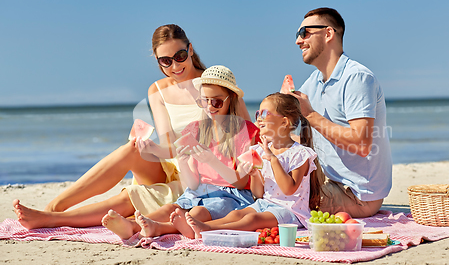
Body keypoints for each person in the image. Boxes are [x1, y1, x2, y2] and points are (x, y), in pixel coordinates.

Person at [12, 26, 251, 229]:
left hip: (202, 173)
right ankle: (55, 207)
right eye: (165, 61)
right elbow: (169, 146)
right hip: (175, 163)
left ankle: (54, 219)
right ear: (158, 61)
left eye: (179, 56)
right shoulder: (157, 90)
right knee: (131, 149)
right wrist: (151, 149)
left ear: (189, 50)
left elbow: (245, 133)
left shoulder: (214, 84)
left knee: (131, 196)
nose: (175, 66)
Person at [102, 66, 261, 239]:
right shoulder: (196, 130)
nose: (209, 107)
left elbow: (241, 182)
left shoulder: (246, 131)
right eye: (203, 101)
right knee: (170, 209)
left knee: (197, 213)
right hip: (199, 191)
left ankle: (156, 229)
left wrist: (211, 160)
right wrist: (183, 162)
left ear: (232, 99)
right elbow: (192, 185)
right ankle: (133, 226)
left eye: (216, 102)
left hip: (232, 196)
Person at [137, 93, 323, 239]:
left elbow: (288, 190)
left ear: (284, 122)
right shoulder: (260, 150)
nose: (258, 118)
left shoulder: (300, 154)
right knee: (236, 215)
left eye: (264, 114)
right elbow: (259, 194)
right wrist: (256, 175)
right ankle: (186, 227)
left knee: (251, 219)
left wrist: (272, 160)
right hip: (265, 203)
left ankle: (206, 229)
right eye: (257, 113)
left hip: (290, 212)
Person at [291, 7, 392, 218]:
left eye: (305, 33)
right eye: (297, 35)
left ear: (328, 34)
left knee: (283, 199)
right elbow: (296, 136)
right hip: (327, 182)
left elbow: (361, 144)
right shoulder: (313, 82)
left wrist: (310, 115)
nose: (298, 41)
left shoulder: (357, 78)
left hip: (357, 194)